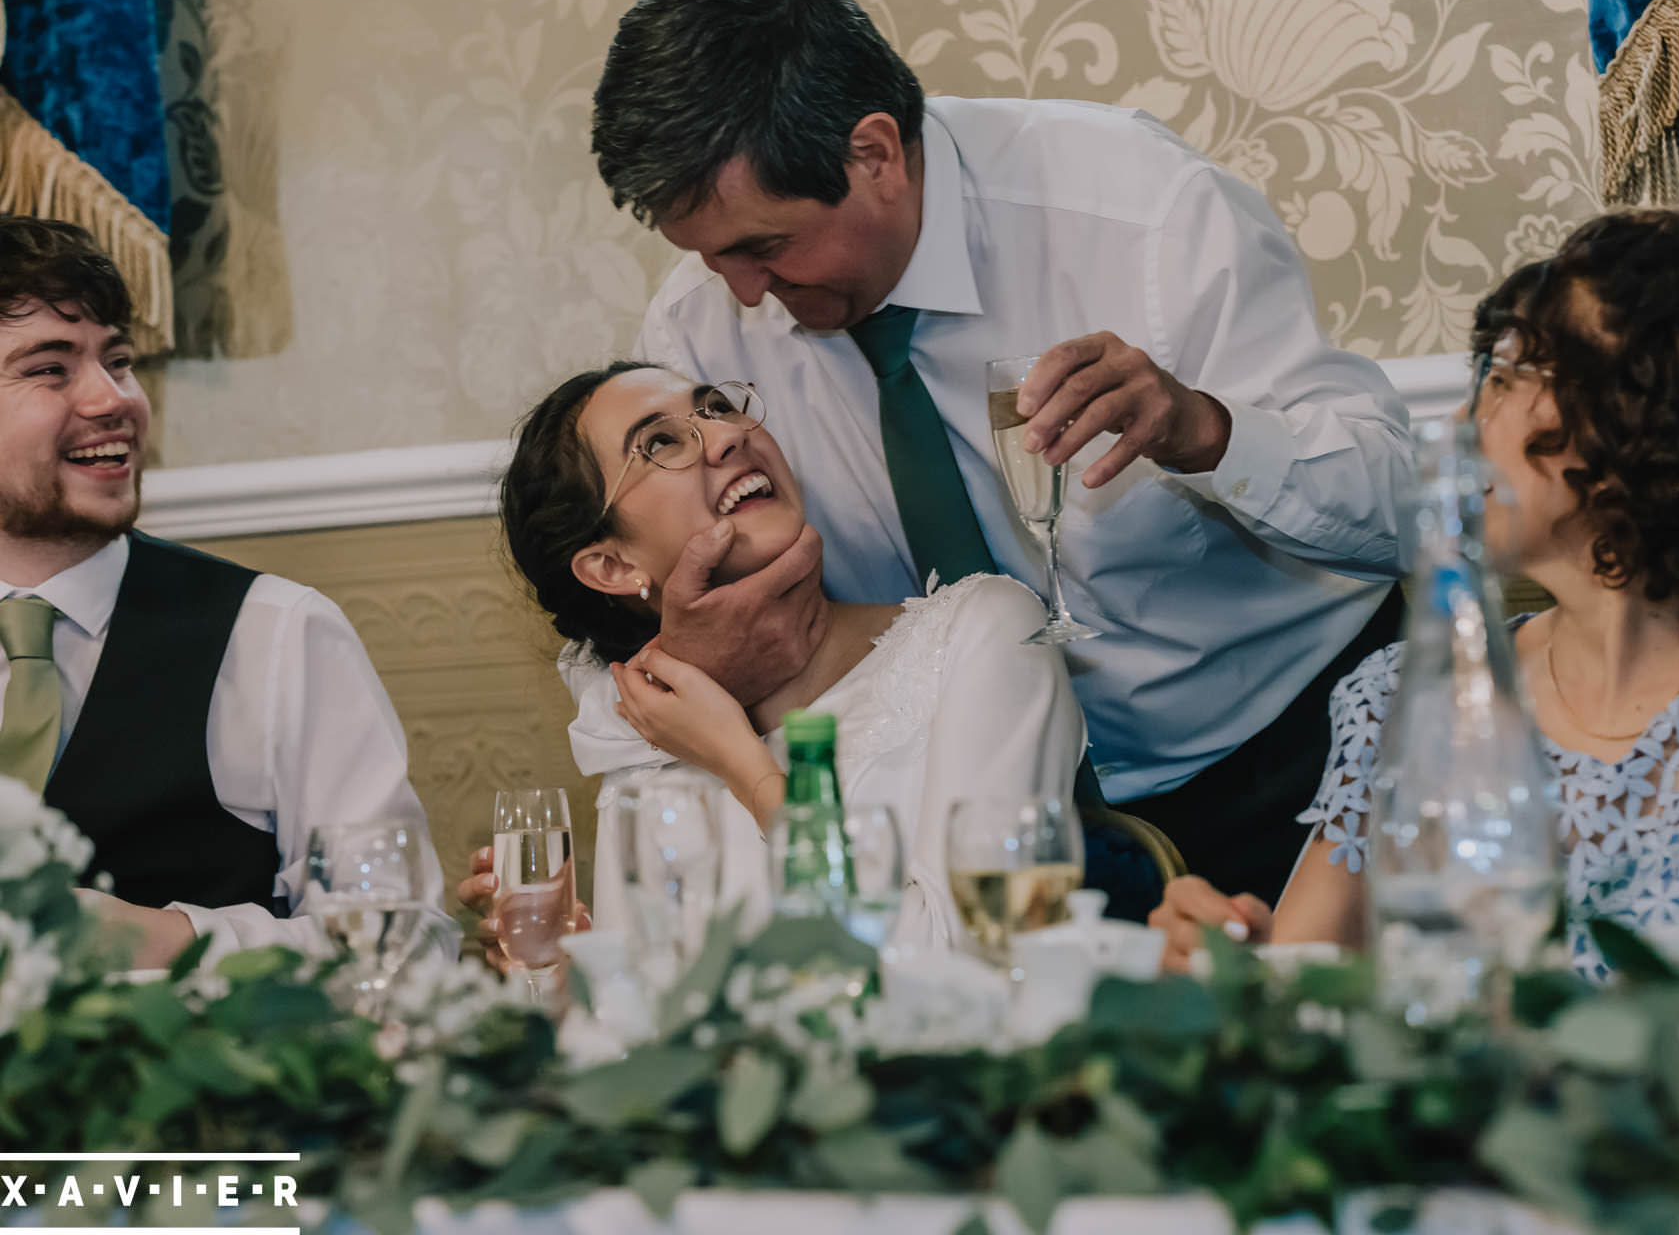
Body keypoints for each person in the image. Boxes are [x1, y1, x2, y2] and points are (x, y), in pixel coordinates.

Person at [574, 0, 1414, 902]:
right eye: (712, 258)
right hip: (958, 825)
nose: (742, 294)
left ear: (877, 155)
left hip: (1290, 773)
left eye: (765, 248)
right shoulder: (699, 325)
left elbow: (1402, 509)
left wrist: (1206, 430)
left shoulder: (1139, 213)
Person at [1149, 209, 1679, 978]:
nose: (1459, 421)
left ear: (1645, 422)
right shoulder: (1399, 700)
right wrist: (1238, 971)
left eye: (1510, 376)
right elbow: (1307, 998)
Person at [462, 362, 1083, 952]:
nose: (730, 434)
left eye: (718, 407)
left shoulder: (986, 631)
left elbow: (975, 958)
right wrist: (568, 974)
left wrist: (740, 762)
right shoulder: (640, 733)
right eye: (660, 443)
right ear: (613, 566)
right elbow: (664, 1029)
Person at [0, 215, 441, 969]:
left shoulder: (278, 636)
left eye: (119, 360)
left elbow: (399, 945)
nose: (114, 400)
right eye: (51, 368)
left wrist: (169, 941)